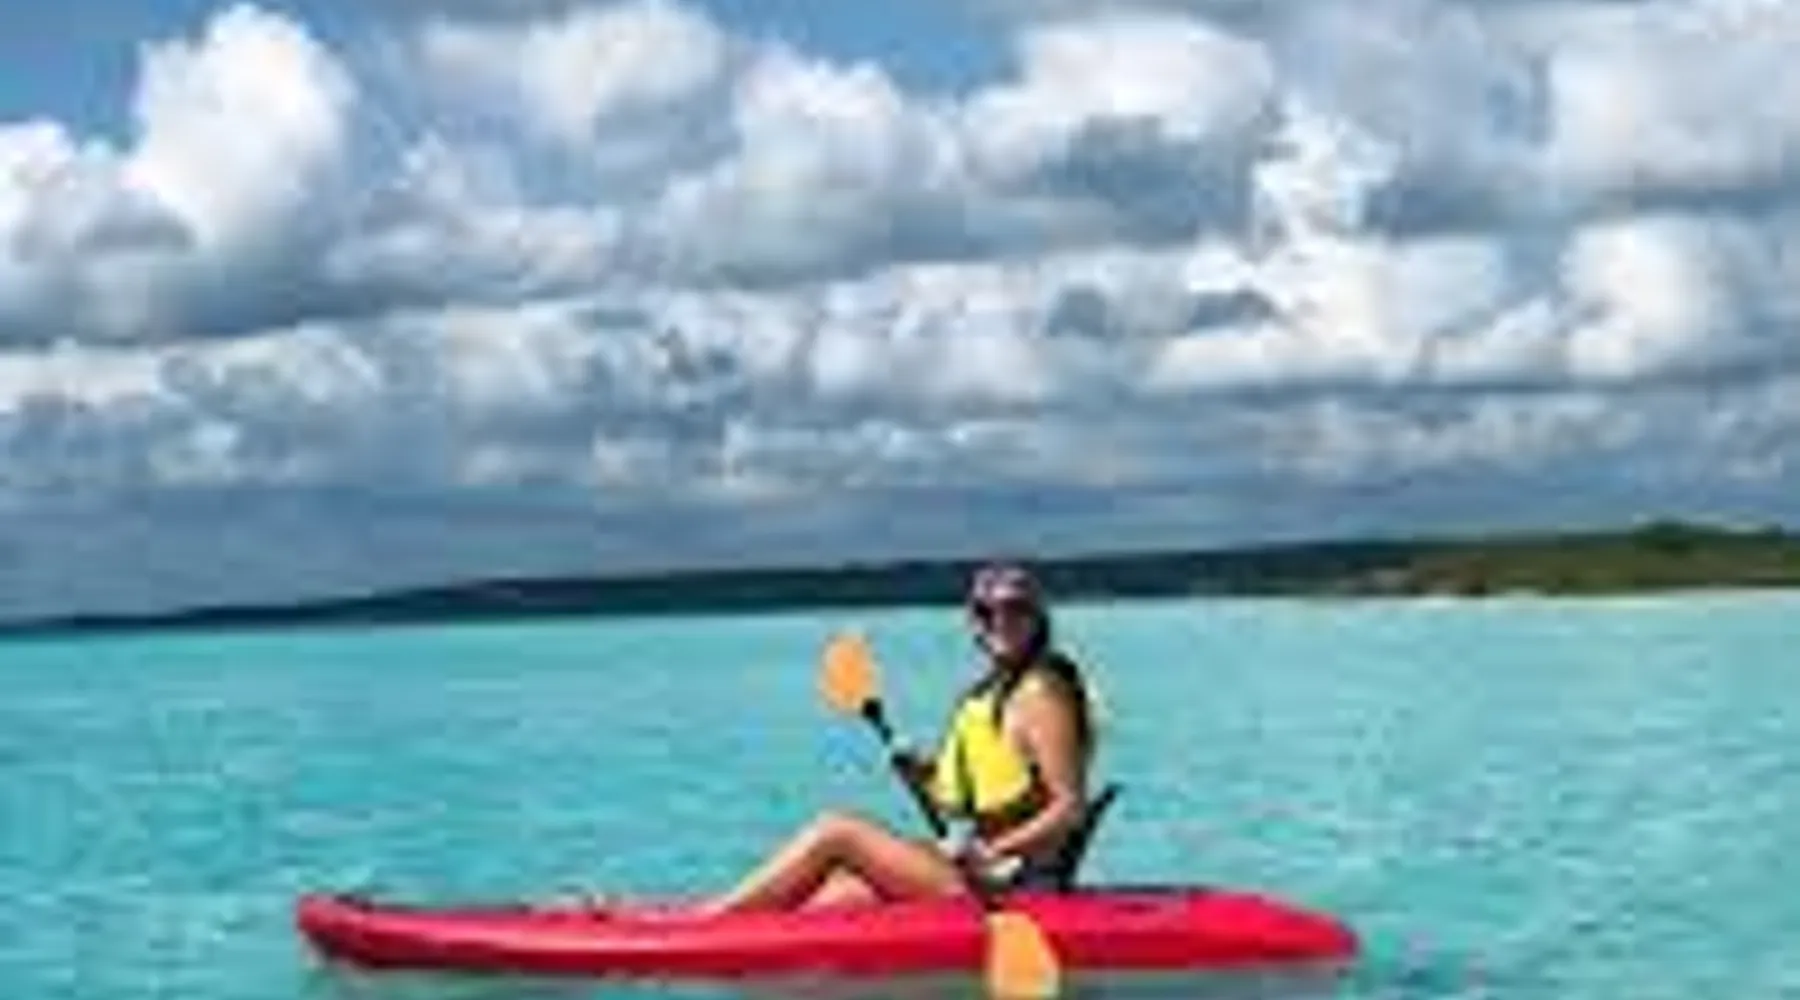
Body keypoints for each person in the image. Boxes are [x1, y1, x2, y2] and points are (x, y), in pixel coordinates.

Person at [697, 562, 1099, 915]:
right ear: (973, 623)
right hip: (977, 872)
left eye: (1015, 608)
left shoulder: (1042, 694)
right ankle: (713, 928)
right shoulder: (991, 693)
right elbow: (977, 799)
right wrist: (924, 775)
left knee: (836, 830)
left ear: (1038, 618)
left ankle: (704, 925)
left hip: (1015, 882)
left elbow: (1069, 809)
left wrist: (991, 852)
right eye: (985, 612)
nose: (1000, 620)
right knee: (835, 892)